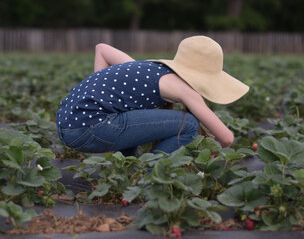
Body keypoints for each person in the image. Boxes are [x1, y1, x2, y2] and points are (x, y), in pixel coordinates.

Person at [55, 35, 249, 156]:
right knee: (189, 124)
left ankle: (129, 172)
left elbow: (102, 49)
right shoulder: (183, 89)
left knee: (134, 116)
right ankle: (150, 178)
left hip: (66, 125)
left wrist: (98, 89)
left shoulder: (142, 68)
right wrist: (208, 152)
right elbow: (227, 138)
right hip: (89, 130)